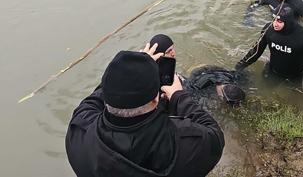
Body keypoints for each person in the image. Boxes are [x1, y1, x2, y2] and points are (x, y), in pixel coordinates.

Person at [65, 47, 225, 177]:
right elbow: (215, 135)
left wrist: (126, 73)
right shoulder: (184, 142)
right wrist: (178, 96)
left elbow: (93, 100)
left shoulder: (78, 137)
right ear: (156, 99)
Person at [236, 3, 303, 112]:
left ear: (289, 22)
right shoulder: (268, 29)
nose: (275, 24)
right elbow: (255, 52)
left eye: (279, 21)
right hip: (272, 72)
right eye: (274, 19)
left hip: (295, 76)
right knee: (265, 95)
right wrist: (239, 67)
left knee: (293, 105)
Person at [183, 65, 247, 107]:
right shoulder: (197, 86)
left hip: (217, 70)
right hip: (198, 73)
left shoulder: (232, 77)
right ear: (221, 96)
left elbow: (242, 73)